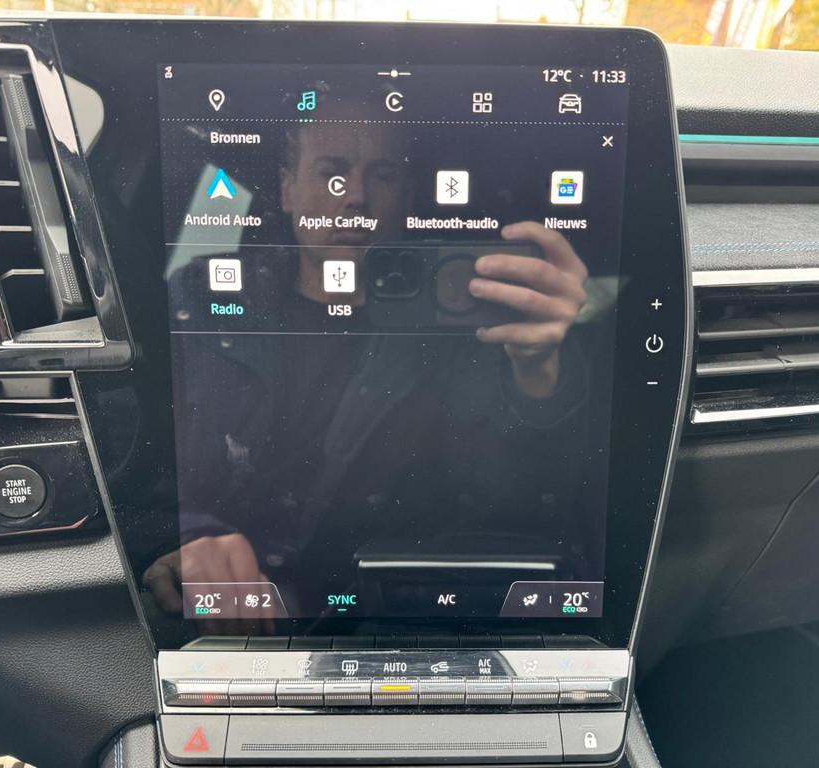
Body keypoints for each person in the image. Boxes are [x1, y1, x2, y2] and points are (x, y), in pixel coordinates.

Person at [145, 99, 594, 630]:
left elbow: (511, 503)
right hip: (208, 624)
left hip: (383, 622)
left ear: (406, 197)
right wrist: (186, 536)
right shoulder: (201, 299)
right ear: (288, 189)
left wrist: (537, 371)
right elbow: (136, 467)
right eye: (331, 172)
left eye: (382, 175)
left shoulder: (465, 328)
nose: (355, 196)